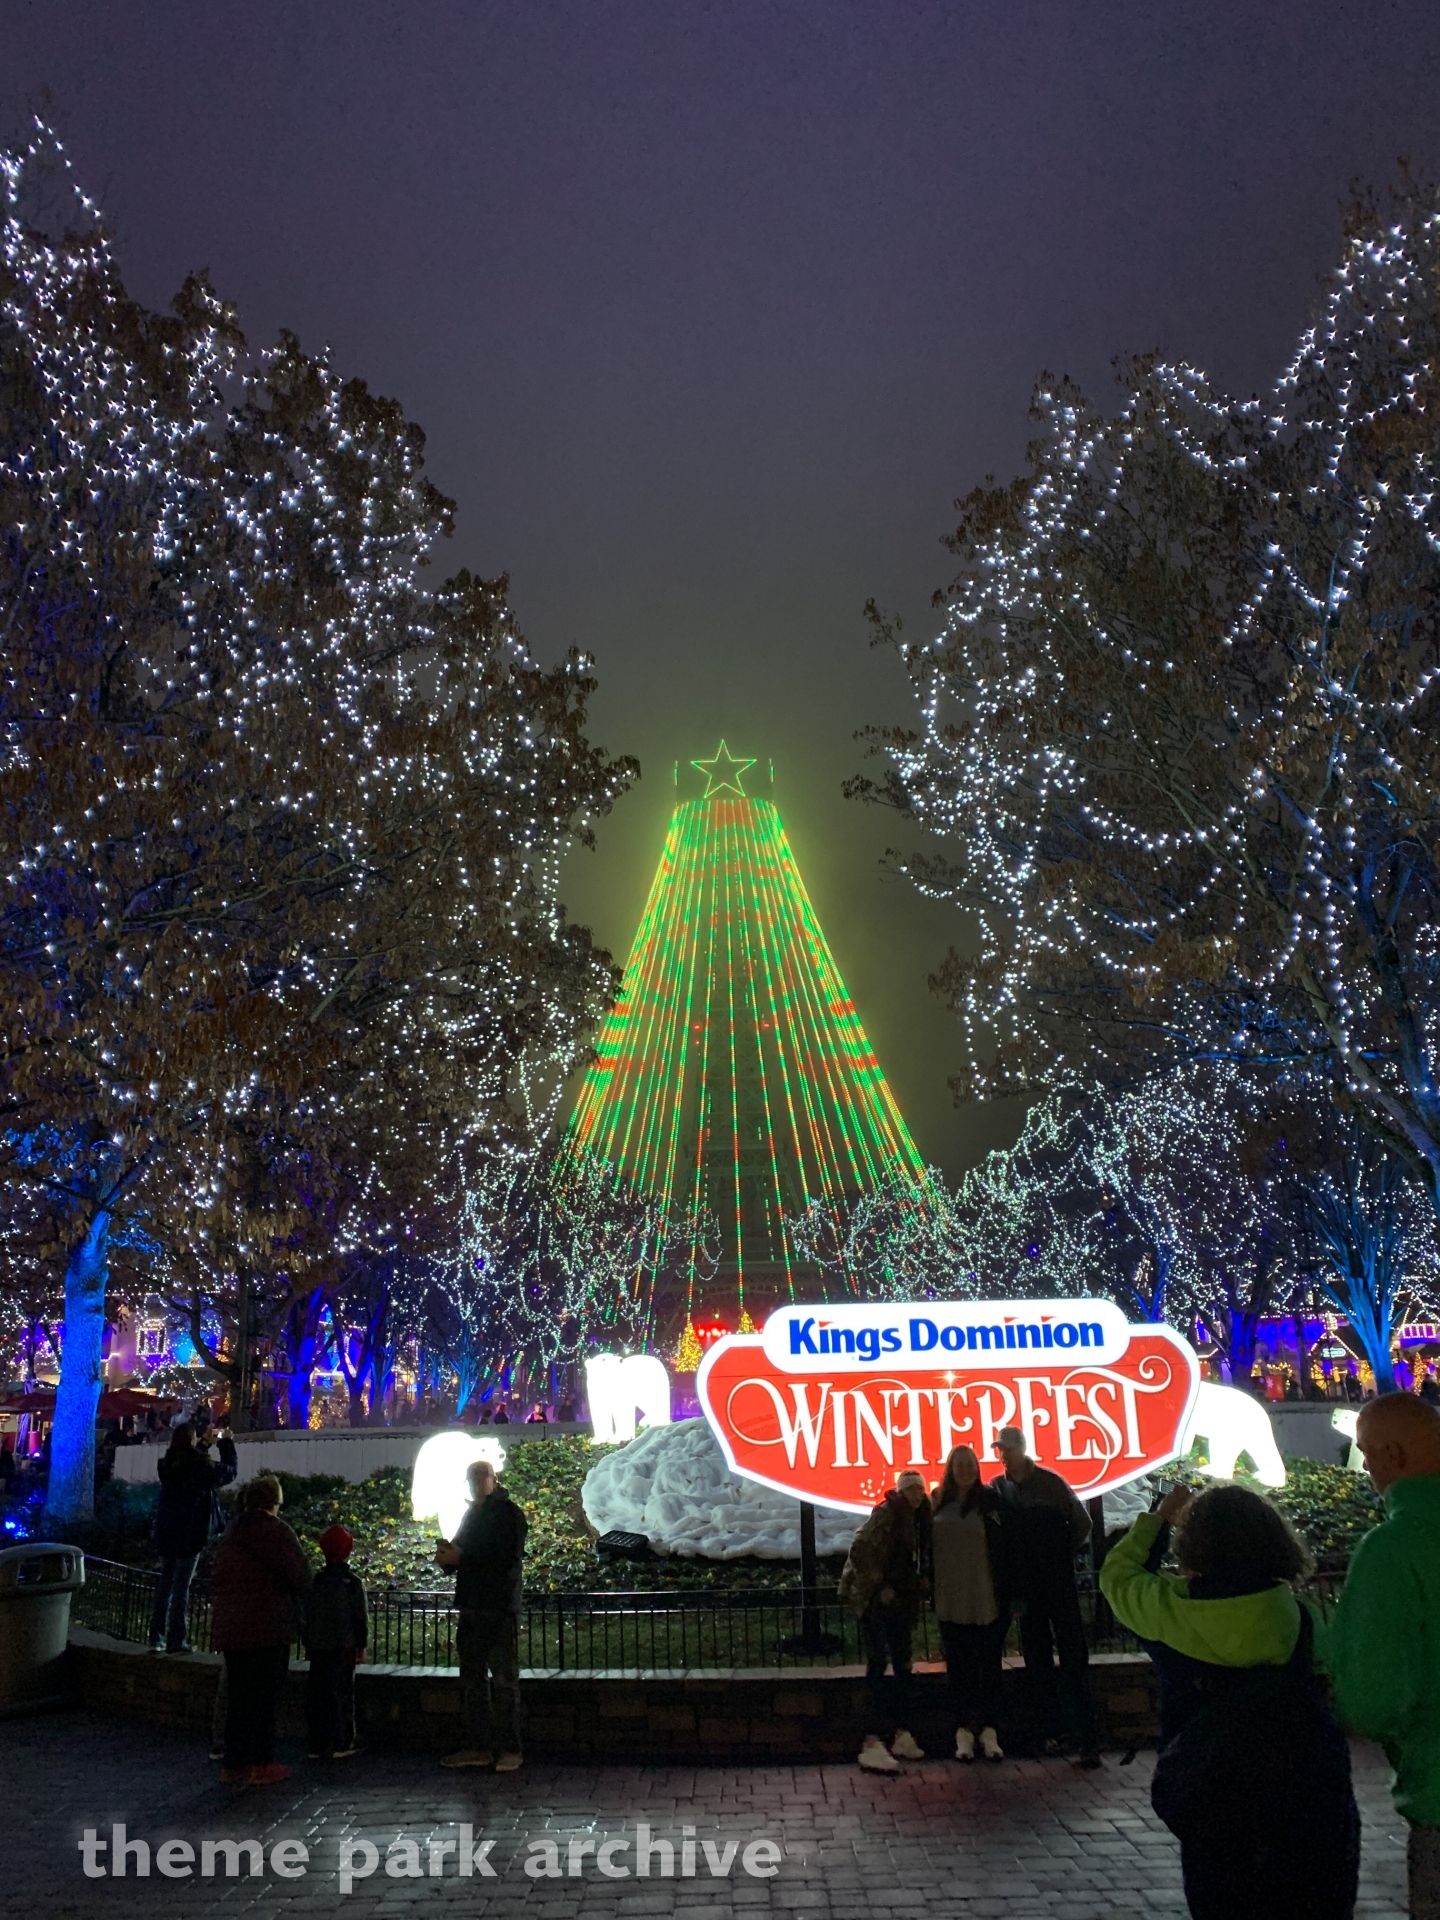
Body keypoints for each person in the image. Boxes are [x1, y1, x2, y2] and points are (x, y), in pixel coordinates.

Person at [1102, 1482, 1358, 1920]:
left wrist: (1160, 1518)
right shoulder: (1301, 1616)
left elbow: (1118, 1575)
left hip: (1213, 1791)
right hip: (1307, 1790)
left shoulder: (1169, 1612)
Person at [1326, 1391, 1440, 1919]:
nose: (1366, 1468)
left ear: (1393, 1455)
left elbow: (1372, 1699)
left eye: (1367, 1454)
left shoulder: (1392, 1549)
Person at [992, 1425, 1099, 1764]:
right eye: (1000, 1449)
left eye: (1009, 1448)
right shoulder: (997, 1488)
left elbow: (1082, 1523)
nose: (1004, 1455)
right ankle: (1048, 1732)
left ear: (1023, 1448)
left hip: (1057, 1582)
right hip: (1026, 1587)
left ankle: (1084, 1735)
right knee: (1037, 1659)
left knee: (1073, 1656)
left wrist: (1059, 1555)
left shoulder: (1051, 1483)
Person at [210, 1474, 312, 1787]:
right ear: (274, 1502)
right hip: (267, 1626)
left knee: (239, 1698)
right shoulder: (275, 1532)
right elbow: (300, 1575)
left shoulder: (233, 1532)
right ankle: (261, 1762)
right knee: (265, 1698)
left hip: (233, 1627)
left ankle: (234, 1764)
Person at [436, 1457, 528, 1771]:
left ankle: (509, 1749)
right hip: (474, 1606)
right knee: (473, 1680)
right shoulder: (473, 1514)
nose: (476, 1484)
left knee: (502, 1680)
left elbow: (505, 1558)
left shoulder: (509, 1514)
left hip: (497, 1607)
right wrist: (448, 1557)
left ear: (493, 1478)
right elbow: (464, 1550)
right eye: (472, 1478)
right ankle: (480, 1747)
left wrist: (461, 1558)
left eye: (481, 1477)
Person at [838, 1467, 931, 1772]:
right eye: (911, 1489)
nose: (917, 1494)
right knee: (878, 1661)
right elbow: (860, 1548)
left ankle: (901, 1732)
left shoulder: (918, 1518)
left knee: (903, 1663)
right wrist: (880, 1586)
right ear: (901, 1491)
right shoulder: (887, 1515)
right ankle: (872, 1737)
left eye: (920, 1489)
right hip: (876, 1601)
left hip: (902, 1600)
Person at [931, 1446, 1010, 1762]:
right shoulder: (937, 1500)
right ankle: (962, 1733)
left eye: (970, 1464)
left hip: (985, 1596)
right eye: (959, 1464)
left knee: (989, 1668)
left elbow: (1006, 1546)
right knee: (958, 1669)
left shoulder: (990, 1501)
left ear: (978, 1468)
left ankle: (990, 1733)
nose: (965, 1470)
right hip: (950, 1597)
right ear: (950, 1468)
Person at [148, 1420, 238, 1653]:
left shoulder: (167, 1464)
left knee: (166, 1584)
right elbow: (229, 1472)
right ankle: (177, 1639)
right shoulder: (200, 1467)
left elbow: (188, 1462)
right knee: (182, 1586)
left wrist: (205, 1444)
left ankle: (156, 1637)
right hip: (190, 1531)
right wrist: (226, 1443)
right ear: (192, 1440)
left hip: (167, 1530)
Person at [303, 1524, 368, 1759]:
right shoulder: (352, 1583)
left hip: (319, 1646)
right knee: (342, 1693)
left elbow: (307, 1614)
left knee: (318, 1693)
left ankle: (317, 1742)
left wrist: (308, 1642)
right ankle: (343, 1741)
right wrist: (361, 1645)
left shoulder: (316, 1581)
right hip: (344, 1646)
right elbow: (359, 1617)